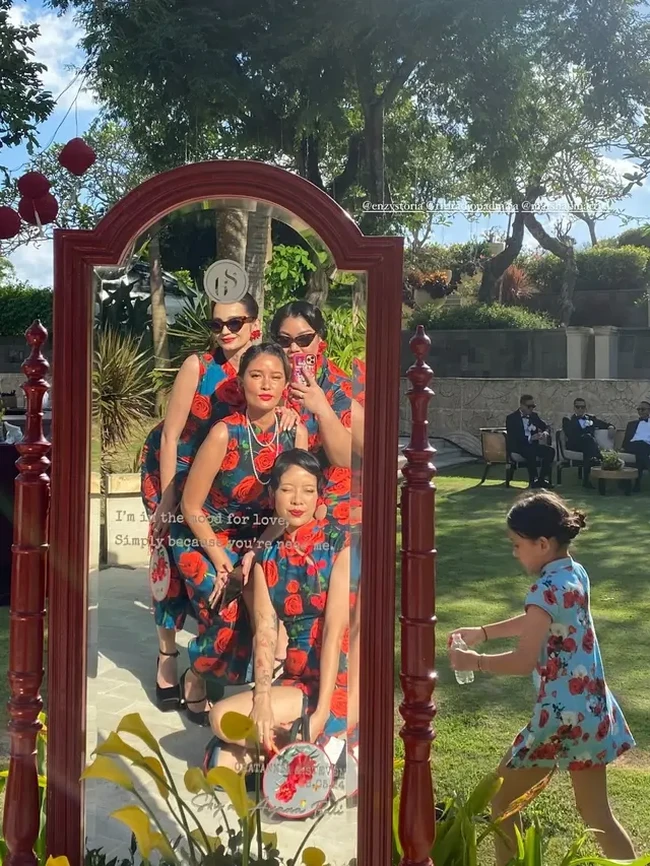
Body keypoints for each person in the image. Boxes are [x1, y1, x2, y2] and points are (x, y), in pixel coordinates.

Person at [448, 491, 635, 866]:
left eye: (517, 544)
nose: (514, 552)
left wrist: (475, 660)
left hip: (559, 721)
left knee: (500, 800)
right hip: (590, 711)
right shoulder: (572, 572)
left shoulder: (545, 588)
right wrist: (483, 631)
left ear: (543, 543)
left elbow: (521, 661)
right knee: (597, 816)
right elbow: (540, 619)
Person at [140, 294, 296, 711]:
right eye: (217, 324)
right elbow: (171, 435)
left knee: (223, 583)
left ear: (254, 325)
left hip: (225, 488)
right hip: (174, 473)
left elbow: (280, 418)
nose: (225, 331)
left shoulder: (265, 370)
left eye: (235, 322)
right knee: (167, 567)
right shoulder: (200, 366)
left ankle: (208, 665)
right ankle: (167, 656)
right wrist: (168, 500)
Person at [169, 345, 307, 725]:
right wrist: (225, 561)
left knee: (273, 607)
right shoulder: (222, 433)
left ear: (286, 385)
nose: (266, 385)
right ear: (242, 380)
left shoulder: (294, 433)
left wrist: (255, 553)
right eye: (257, 375)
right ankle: (196, 674)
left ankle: (264, 690)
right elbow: (190, 507)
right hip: (203, 534)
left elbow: (291, 507)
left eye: (276, 377)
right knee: (226, 608)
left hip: (261, 535)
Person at [207, 449, 352, 770]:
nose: (298, 499)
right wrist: (261, 699)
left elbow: (334, 633)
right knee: (220, 719)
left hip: (341, 679)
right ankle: (296, 745)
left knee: (229, 757)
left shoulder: (340, 546)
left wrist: (323, 711)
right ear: (273, 495)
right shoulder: (267, 557)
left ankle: (317, 740)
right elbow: (265, 632)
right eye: (287, 489)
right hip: (296, 680)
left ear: (319, 496)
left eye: (308, 490)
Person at [269, 301, 362, 527]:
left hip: (328, 497)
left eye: (303, 339)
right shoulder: (270, 378)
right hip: (275, 493)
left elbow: (343, 458)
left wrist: (322, 408)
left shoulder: (336, 386)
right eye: (284, 341)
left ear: (320, 339)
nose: (294, 349)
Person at [562, 398, 614, 488]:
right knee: (588, 439)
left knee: (588, 448)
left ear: (585, 408)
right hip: (575, 444)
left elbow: (605, 424)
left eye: (582, 407)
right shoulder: (568, 420)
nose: (580, 409)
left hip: (589, 446)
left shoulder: (591, 419)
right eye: (578, 407)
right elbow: (570, 434)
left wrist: (611, 427)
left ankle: (587, 480)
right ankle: (600, 458)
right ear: (574, 408)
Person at [505, 395, 555, 488]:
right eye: (529, 406)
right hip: (519, 446)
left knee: (550, 451)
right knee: (530, 450)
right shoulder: (511, 418)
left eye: (533, 406)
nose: (531, 409)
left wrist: (545, 433)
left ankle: (542, 479)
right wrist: (530, 438)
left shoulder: (534, 416)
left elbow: (546, 426)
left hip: (533, 446)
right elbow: (513, 437)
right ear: (522, 405)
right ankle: (533, 479)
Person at [622, 400, 650, 492]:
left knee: (641, 452)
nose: (640, 411)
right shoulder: (631, 424)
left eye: (643, 409)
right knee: (641, 446)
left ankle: (637, 485)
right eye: (639, 409)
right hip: (633, 445)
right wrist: (623, 448)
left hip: (647, 447)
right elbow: (626, 440)